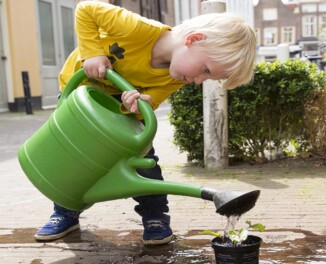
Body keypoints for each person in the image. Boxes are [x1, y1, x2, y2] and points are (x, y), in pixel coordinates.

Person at [34, 1, 256, 246]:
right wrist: (92, 52)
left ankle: (156, 216)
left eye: (208, 77)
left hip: (117, 107)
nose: (198, 81)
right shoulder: (137, 29)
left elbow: (150, 103)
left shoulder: (177, 75)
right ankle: (65, 212)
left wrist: (139, 104)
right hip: (79, 96)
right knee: (72, 159)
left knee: (143, 160)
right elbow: (86, 9)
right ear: (193, 39)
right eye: (205, 69)